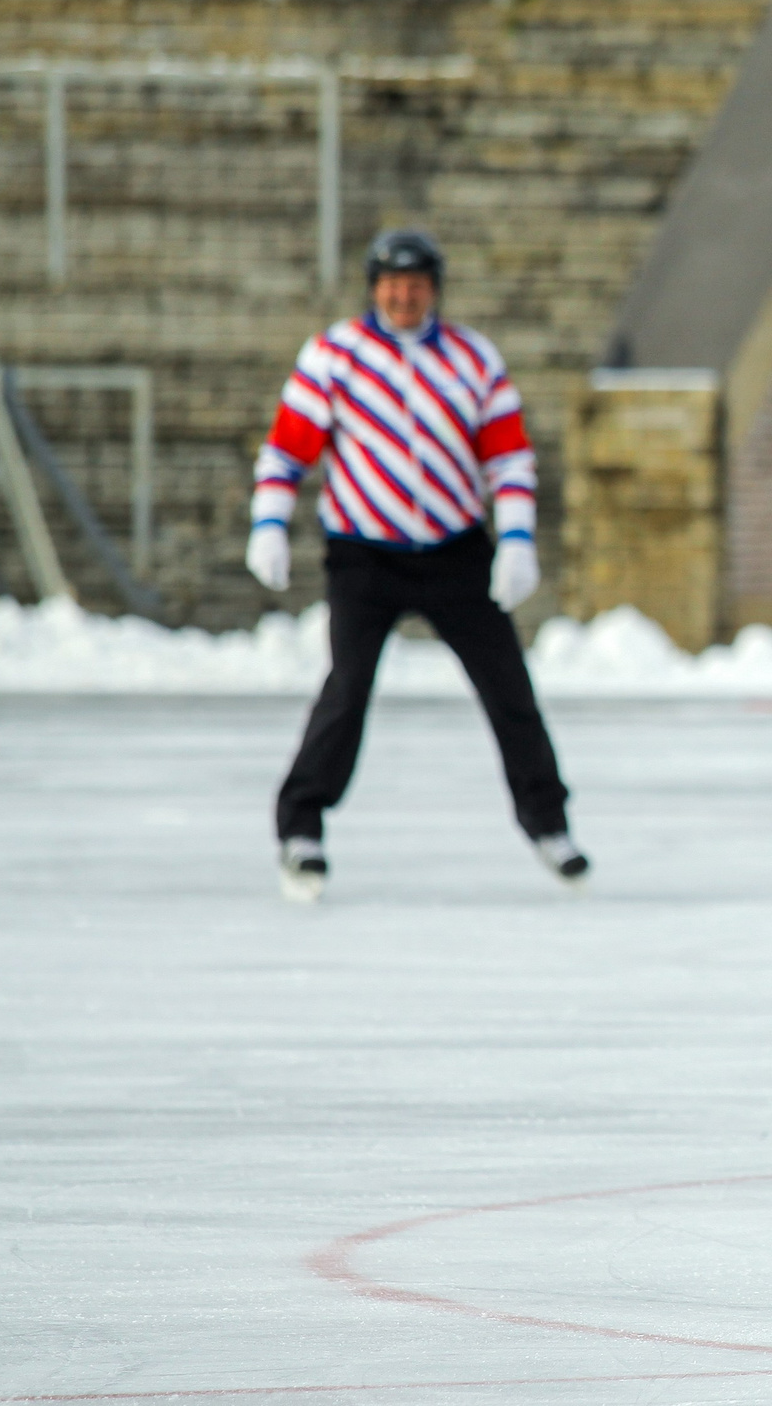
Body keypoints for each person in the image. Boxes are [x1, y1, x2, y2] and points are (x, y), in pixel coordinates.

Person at [245, 228, 587, 902]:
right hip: (363, 554)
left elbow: (508, 457)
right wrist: (269, 525)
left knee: (508, 687)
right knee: (347, 689)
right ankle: (302, 824)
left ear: (435, 290)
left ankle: (548, 822)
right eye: (392, 285)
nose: (405, 297)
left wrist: (516, 539)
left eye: (417, 284)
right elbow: (287, 451)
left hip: (454, 550)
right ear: (374, 289)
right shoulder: (336, 357)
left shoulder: (471, 359)